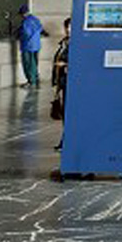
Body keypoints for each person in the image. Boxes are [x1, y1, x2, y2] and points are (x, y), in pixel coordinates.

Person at [15, 4, 47, 88]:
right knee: (34, 63)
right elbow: (41, 29)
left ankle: (30, 82)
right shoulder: (36, 19)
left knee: (28, 64)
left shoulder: (25, 22)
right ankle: (36, 78)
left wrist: (18, 34)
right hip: (36, 45)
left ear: (23, 13)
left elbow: (25, 33)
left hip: (27, 46)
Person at [52, 18, 71, 151]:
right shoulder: (64, 43)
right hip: (63, 83)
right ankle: (65, 140)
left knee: (69, 114)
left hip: (71, 84)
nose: (68, 30)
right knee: (65, 114)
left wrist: (65, 64)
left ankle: (66, 141)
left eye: (70, 27)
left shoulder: (76, 44)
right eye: (66, 27)